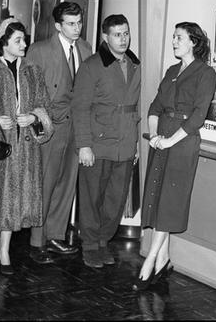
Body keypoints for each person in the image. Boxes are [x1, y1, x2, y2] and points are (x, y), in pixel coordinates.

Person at [133, 21, 216, 291]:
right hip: (162, 140)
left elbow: (197, 117)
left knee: (169, 202)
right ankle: (164, 259)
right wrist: (156, 135)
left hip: (182, 143)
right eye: (173, 37)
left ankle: (150, 261)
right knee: (159, 199)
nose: (174, 42)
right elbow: (154, 107)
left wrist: (170, 141)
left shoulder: (206, 74)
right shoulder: (171, 71)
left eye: (179, 37)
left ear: (194, 42)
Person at [0, 18, 54, 274]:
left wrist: (33, 117)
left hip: (25, 148)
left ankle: (4, 249)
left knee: (13, 200)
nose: (24, 45)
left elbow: (45, 105)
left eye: (24, 40)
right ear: (3, 43)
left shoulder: (32, 70)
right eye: (18, 40)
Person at [72, 14, 141, 268]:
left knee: (115, 199)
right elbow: (80, 108)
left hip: (125, 145)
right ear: (105, 37)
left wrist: (135, 143)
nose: (123, 39)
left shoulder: (134, 63)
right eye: (117, 34)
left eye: (126, 33)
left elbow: (136, 106)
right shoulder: (92, 66)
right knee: (92, 198)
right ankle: (90, 245)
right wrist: (84, 145)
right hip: (98, 144)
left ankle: (103, 241)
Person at [26, 1, 92, 263]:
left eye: (79, 23)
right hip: (50, 125)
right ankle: (36, 241)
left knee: (66, 183)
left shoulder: (85, 49)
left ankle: (55, 235)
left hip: (76, 125)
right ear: (57, 25)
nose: (77, 28)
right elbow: (29, 90)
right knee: (45, 181)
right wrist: (37, 123)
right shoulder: (39, 50)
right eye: (71, 24)